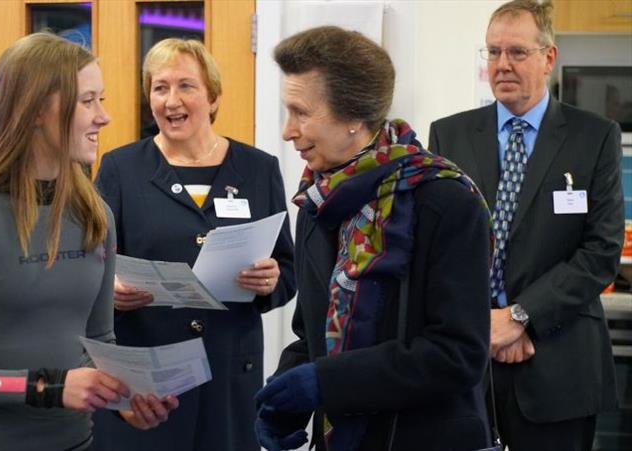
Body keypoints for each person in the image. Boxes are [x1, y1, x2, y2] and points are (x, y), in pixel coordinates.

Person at [0, 33, 177, 451]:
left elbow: (99, 343)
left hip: (75, 443)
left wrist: (123, 396)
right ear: (35, 111)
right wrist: (46, 387)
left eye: (101, 99)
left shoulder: (96, 215)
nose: (104, 117)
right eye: (88, 101)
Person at [255, 26, 494, 451]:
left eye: (301, 112)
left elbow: (457, 355)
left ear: (353, 117)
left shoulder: (444, 201)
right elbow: (311, 334)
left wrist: (326, 382)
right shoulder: (316, 205)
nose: (288, 130)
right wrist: (282, 398)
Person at [428, 1, 623, 450]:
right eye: (492, 52)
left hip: (559, 365)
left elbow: (601, 252)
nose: (502, 65)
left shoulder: (594, 136)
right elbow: (436, 247)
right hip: (467, 361)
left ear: (548, 57)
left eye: (516, 52)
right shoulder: (449, 135)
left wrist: (520, 318)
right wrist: (485, 323)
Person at [92, 38, 296, 451]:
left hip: (229, 375)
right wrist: (109, 290)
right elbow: (90, 265)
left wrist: (271, 281)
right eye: (159, 87)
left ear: (213, 97)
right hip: (146, 383)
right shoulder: (120, 168)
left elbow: (288, 272)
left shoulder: (259, 169)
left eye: (186, 86)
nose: (171, 100)